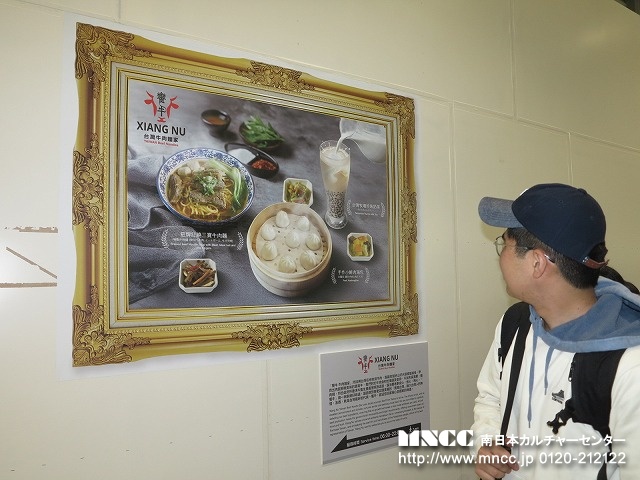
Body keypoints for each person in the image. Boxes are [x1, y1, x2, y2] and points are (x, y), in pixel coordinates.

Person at [471, 183, 640, 479]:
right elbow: (490, 397)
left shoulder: (628, 367)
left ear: (537, 263)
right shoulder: (515, 324)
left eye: (504, 244)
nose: (500, 256)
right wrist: (486, 442)